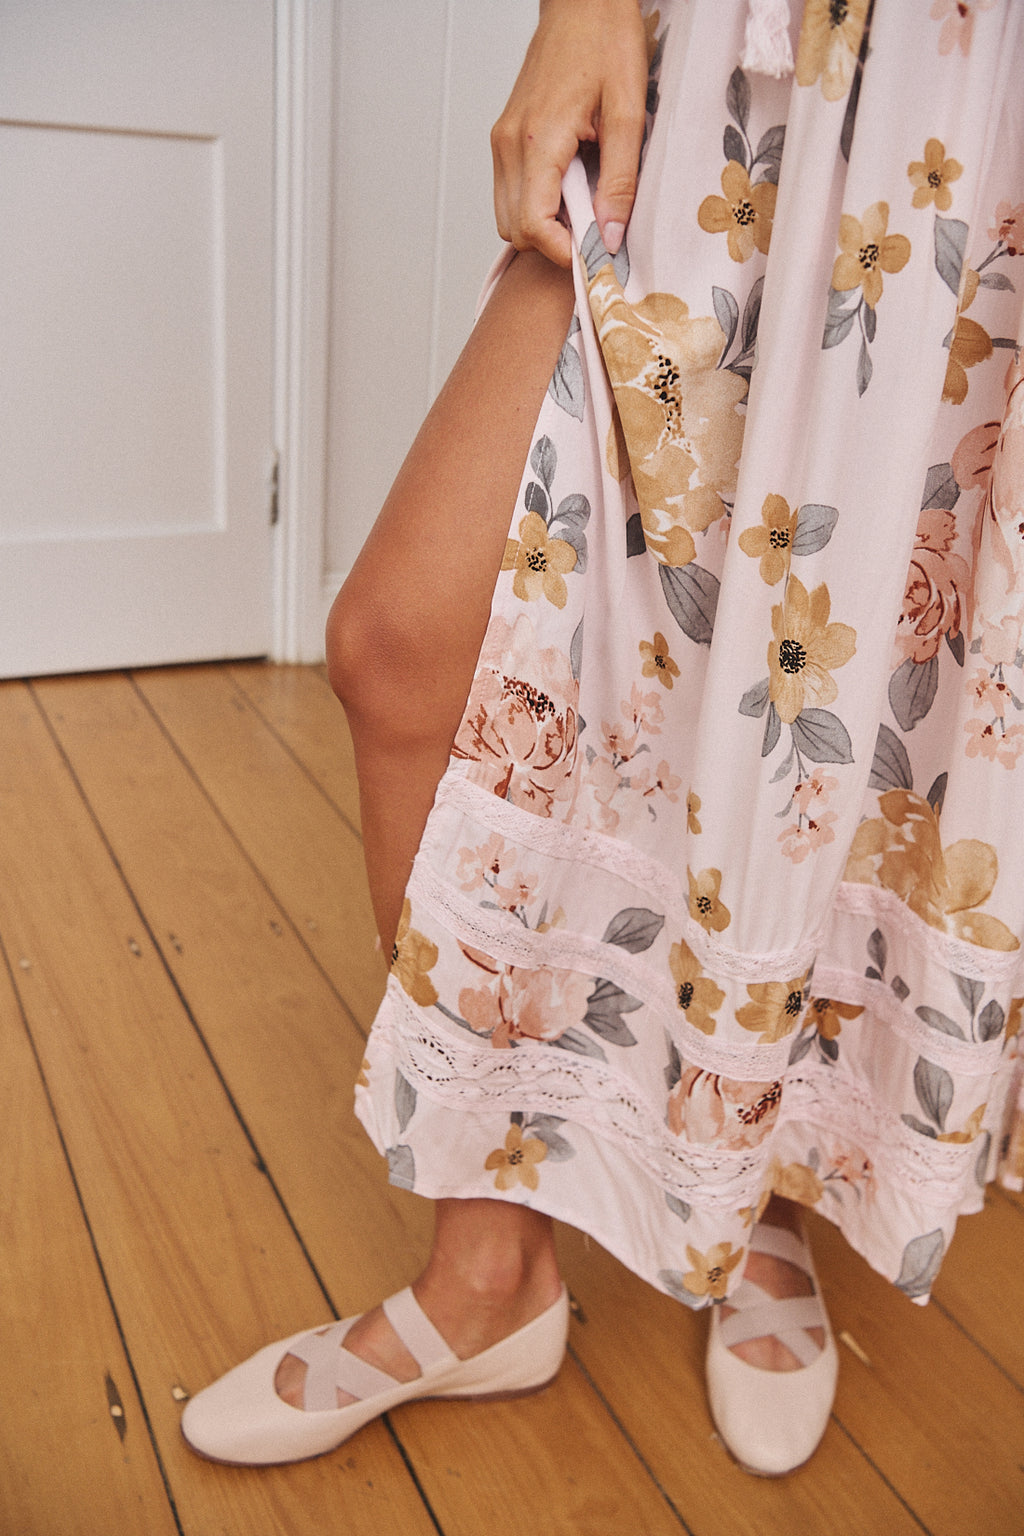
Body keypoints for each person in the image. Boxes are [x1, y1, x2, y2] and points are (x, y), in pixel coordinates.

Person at [182, 0, 1024, 1477]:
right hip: (718, 72)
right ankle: (489, 1277)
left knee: (827, 720)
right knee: (403, 649)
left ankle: (752, 1203)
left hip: (967, 107)